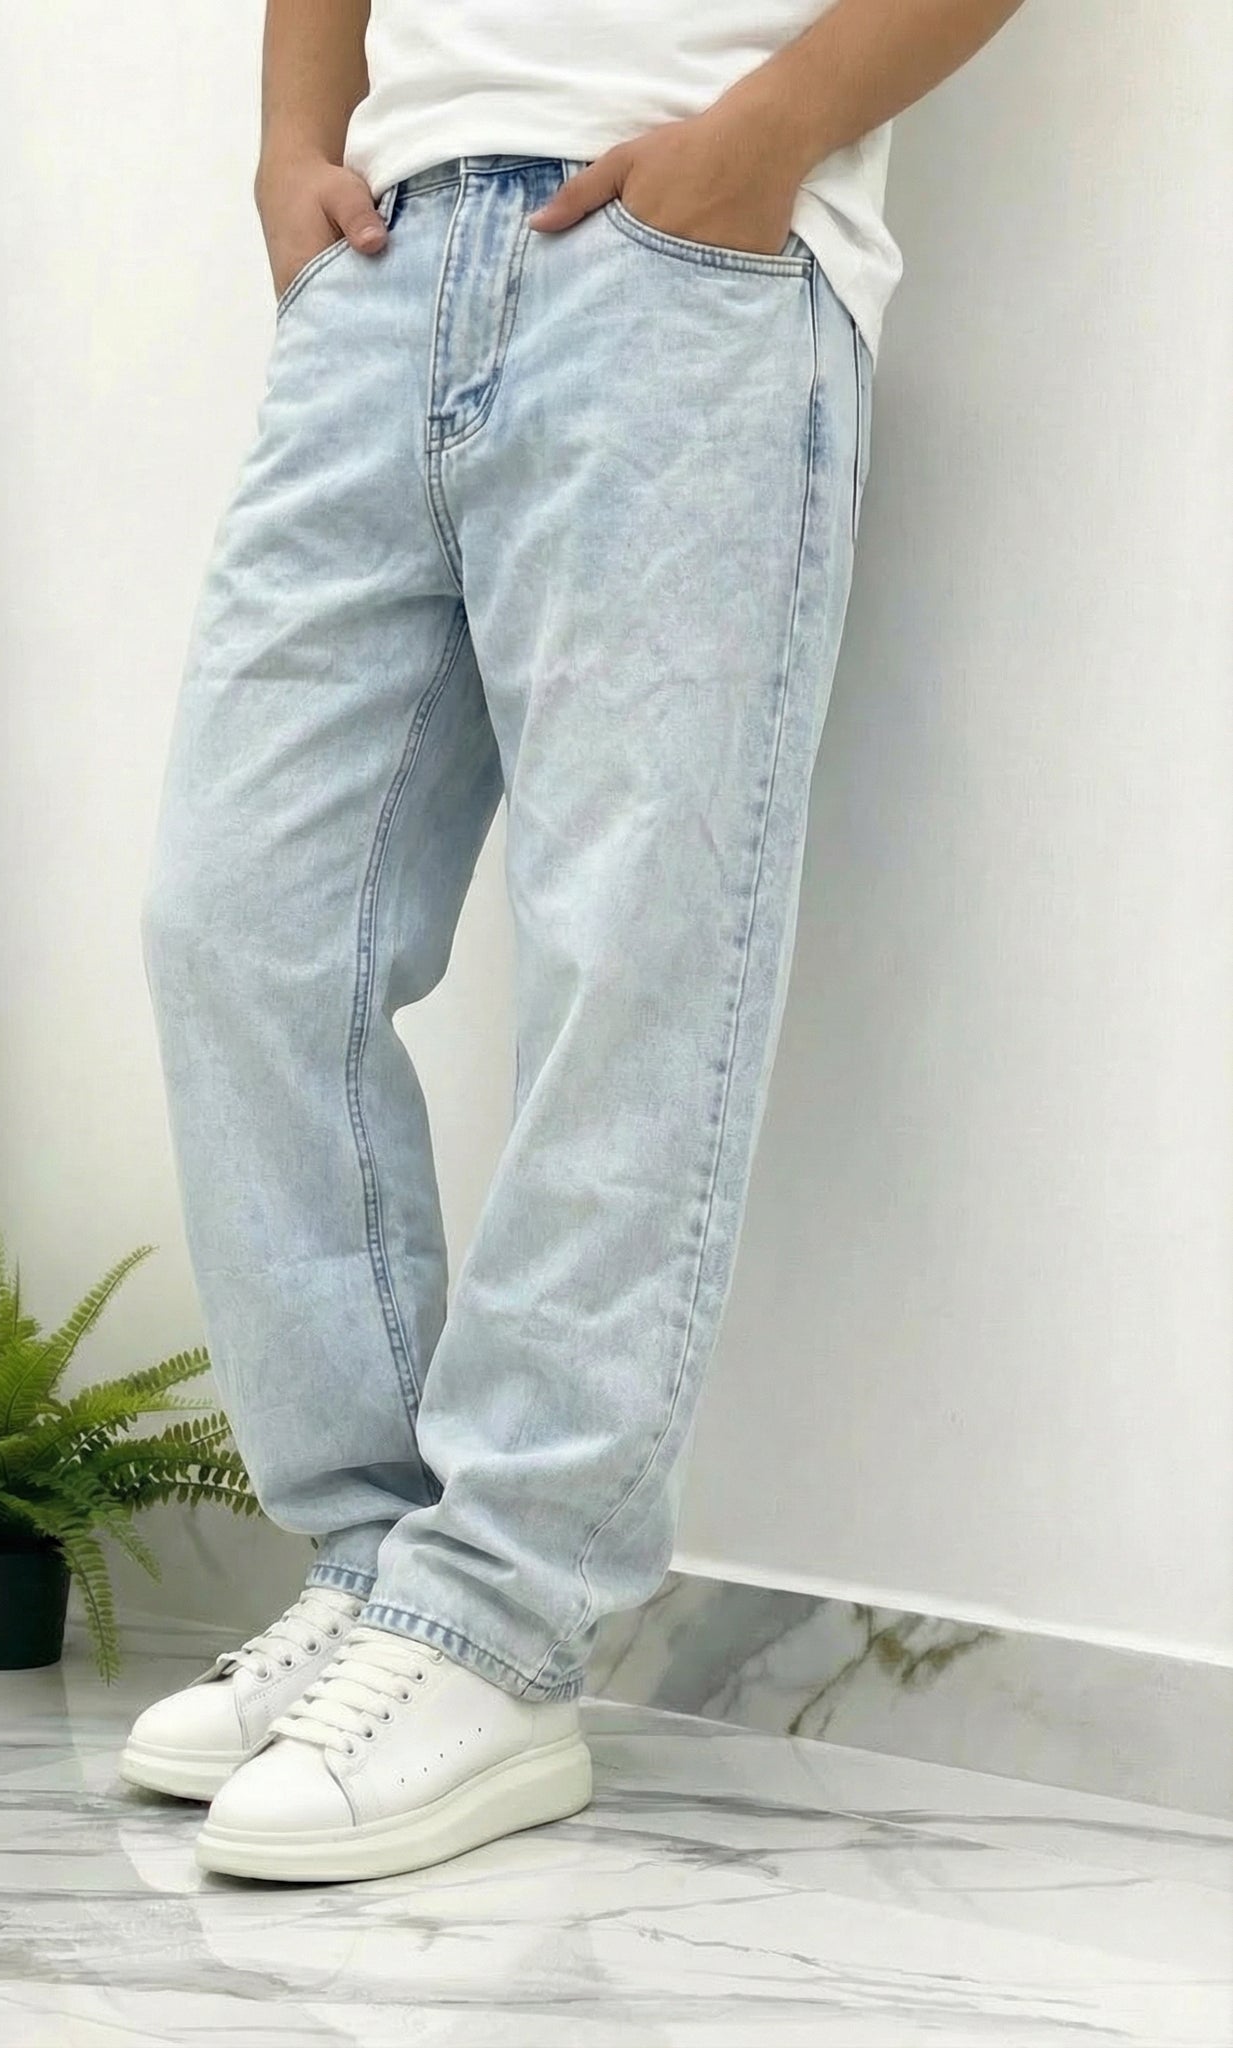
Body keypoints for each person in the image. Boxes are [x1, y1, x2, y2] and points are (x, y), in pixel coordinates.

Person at [122, 0, 1027, 1885]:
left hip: (684, 262)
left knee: (632, 957)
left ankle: (497, 1622)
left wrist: (760, 138)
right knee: (236, 923)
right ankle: (376, 1567)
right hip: (385, 260)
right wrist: (292, 151)